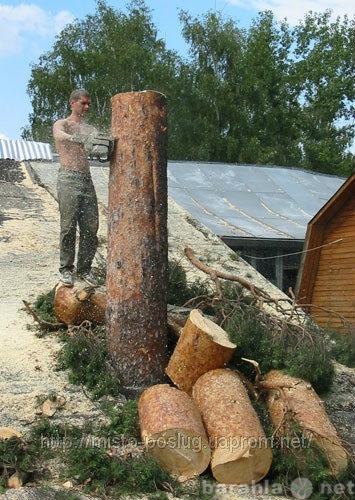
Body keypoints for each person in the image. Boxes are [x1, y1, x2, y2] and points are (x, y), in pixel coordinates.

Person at [53, 88, 100, 287]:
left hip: (86, 178)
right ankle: (66, 269)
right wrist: (76, 139)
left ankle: (84, 269)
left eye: (89, 103)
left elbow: (98, 144)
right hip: (68, 176)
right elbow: (59, 135)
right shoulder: (62, 124)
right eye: (83, 103)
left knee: (90, 226)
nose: (87, 107)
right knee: (68, 226)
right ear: (73, 103)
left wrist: (101, 145)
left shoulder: (90, 129)